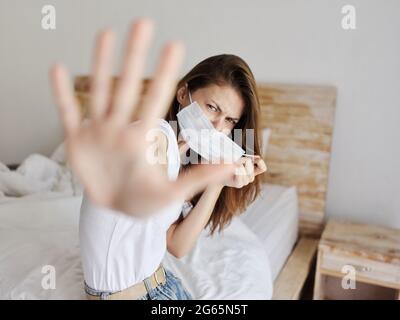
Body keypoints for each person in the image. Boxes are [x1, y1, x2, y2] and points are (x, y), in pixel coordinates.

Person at [50, 18, 266, 300]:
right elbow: (144, 154)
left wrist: (217, 180)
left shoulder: (182, 156)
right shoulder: (158, 135)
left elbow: (177, 245)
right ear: (183, 94)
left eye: (229, 120)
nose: (217, 127)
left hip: (163, 285)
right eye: (212, 107)